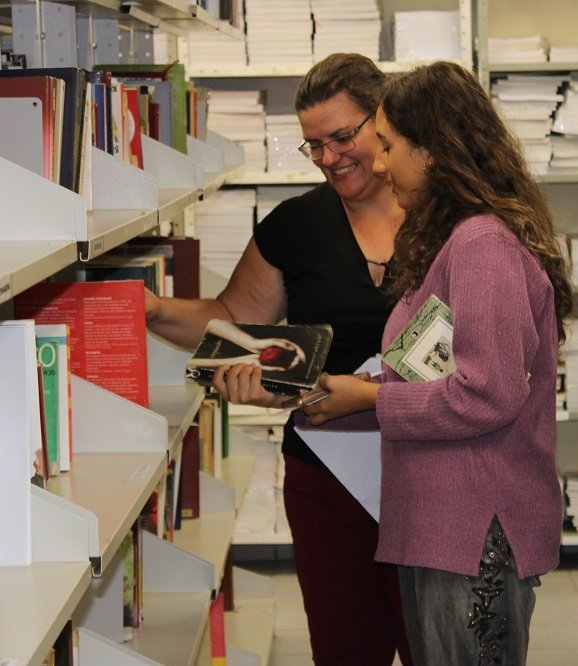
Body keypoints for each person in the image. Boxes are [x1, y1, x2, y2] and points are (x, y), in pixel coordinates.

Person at [303, 61, 575, 665]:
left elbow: (486, 393)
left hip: (473, 531)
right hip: (444, 527)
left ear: (431, 152)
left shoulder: (481, 246)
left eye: (389, 147)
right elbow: (433, 375)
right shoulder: (456, 242)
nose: (378, 164)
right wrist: (349, 394)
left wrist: (370, 399)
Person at [144, 53, 411, 665]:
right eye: (313, 146)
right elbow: (233, 319)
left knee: (439, 642)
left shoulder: (445, 217)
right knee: (347, 647)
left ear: (386, 122)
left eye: (343, 136)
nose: (329, 158)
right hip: (327, 473)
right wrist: (155, 310)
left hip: (429, 465)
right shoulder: (297, 225)